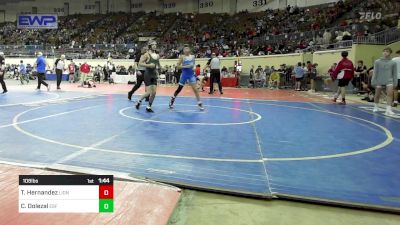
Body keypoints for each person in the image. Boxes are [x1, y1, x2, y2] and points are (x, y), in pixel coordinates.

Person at [169, 45, 204, 111]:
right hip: (184, 75)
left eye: (187, 48)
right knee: (179, 89)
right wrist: (186, 66)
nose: (186, 50)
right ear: (183, 51)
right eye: (185, 49)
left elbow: (193, 65)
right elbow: (177, 67)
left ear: (189, 50)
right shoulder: (182, 57)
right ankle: (172, 100)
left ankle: (199, 103)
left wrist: (193, 68)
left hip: (191, 75)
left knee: (195, 90)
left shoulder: (193, 57)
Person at [135, 41, 161, 113]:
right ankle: (139, 101)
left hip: (154, 74)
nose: (155, 46)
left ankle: (149, 107)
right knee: (148, 92)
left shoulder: (157, 55)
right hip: (148, 74)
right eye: (153, 45)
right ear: (150, 46)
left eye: (155, 44)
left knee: (154, 92)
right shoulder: (147, 54)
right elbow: (140, 63)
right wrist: (148, 65)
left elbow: (158, 64)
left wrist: (160, 68)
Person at [371, 47, 398, 115]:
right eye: (384, 51)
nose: (385, 52)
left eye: (387, 51)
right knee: (377, 94)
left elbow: (394, 73)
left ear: (390, 53)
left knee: (390, 94)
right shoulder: (377, 61)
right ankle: (376, 106)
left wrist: (395, 82)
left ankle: (388, 109)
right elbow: (375, 72)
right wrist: (373, 80)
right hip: (379, 80)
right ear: (382, 52)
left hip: (389, 80)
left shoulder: (393, 62)